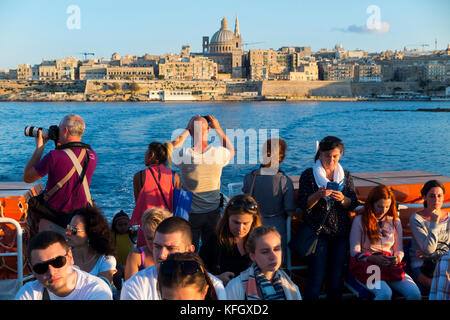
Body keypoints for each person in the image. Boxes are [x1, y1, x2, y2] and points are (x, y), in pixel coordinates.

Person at [296, 136, 358, 300]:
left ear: (340, 156)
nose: (331, 160)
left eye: (335, 156)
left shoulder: (345, 176)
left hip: (340, 233)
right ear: (320, 155)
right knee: (316, 274)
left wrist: (342, 199)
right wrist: (318, 195)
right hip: (319, 232)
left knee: (336, 276)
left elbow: (353, 203)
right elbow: (303, 204)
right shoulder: (308, 175)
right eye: (327, 156)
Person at [23, 114, 97, 235]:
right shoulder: (92, 155)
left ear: (66, 130)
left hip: (54, 220)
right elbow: (69, 159)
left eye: (59, 128)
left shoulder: (54, 156)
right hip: (80, 219)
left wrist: (39, 148)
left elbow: (27, 177)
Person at [120, 216, 227, 300]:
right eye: (157, 246)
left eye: (170, 248)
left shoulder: (215, 287)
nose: (161, 255)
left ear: (189, 250)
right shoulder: (134, 285)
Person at [169, 115, 235, 249]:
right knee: (211, 248)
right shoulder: (218, 153)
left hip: (191, 212)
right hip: (213, 211)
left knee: (189, 248)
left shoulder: (184, 155)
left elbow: (170, 148)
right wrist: (218, 128)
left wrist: (187, 130)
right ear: (208, 130)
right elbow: (231, 151)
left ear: (191, 133)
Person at [349, 185, 421, 300]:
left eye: (387, 207)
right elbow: (354, 251)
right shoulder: (360, 221)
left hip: (389, 266)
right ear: (372, 204)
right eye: (379, 206)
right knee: (385, 294)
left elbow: (399, 250)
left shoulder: (395, 221)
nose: (383, 211)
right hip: (368, 266)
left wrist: (396, 259)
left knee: (415, 294)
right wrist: (372, 258)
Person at [242, 137, 296, 264]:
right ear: (281, 157)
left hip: (254, 226)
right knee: (276, 265)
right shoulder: (284, 181)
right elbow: (290, 211)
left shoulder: (250, 178)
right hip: (277, 228)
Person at [15, 231, 112, 300]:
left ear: (70, 257)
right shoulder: (30, 292)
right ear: (32, 270)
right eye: (41, 267)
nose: (51, 272)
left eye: (58, 262)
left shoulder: (96, 290)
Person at [199, 194, 262, 286]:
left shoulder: (260, 241)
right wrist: (217, 278)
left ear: (253, 221)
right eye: (236, 222)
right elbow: (198, 273)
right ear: (227, 218)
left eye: (245, 223)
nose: (240, 229)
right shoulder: (214, 240)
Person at [225, 225, 302, 300]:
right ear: (252, 256)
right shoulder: (236, 287)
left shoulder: (292, 287)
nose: (273, 257)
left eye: (276, 249)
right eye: (265, 252)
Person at [131, 141, 181, 247]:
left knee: (145, 259)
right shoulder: (174, 176)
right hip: (167, 227)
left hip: (147, 227)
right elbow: (177, 205)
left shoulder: (139, 176)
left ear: (152, 155)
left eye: (146, 152)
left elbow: (138, 203)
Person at [409, 180, 449, 292]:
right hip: (423, 267)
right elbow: (428, 249)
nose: (436, 200)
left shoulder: (449, 218)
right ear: (425, 197)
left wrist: (433, 254)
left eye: (439, 196)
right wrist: (434, 223)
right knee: (442, 288)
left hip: (445, 263)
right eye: (432, 196)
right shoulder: (416, 219)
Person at [66, 205, 117, 286]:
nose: (67, 232)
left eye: (73, 230)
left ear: (90, 233)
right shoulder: (63, 258)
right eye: (68, 228)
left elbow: (101, 289)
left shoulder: (105, 260)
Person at [125, 207, 172, 280]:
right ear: (144, 235)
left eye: (158, 239)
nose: (154, 243)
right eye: (150, 239)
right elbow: (129, 287)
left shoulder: (175, 254)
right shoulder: (136, 256)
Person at [110, 210, 136, 289]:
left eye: (125, 224)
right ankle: (118, 291)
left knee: (129, 282)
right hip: (116, 264)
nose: (123, 227)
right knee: (117, 276)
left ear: (129, 224)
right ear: (115, 226)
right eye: (120, 225)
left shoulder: (132, 233)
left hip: (129, 263)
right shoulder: (112, 234)